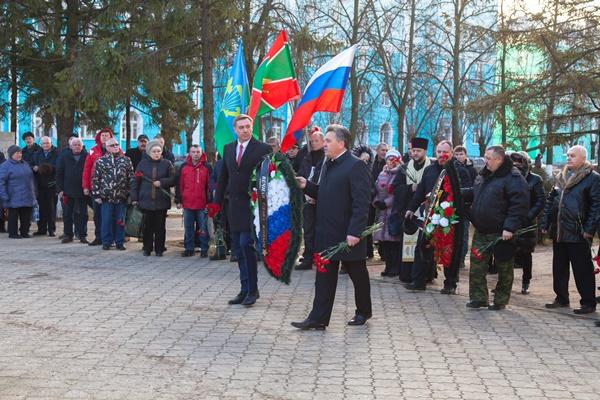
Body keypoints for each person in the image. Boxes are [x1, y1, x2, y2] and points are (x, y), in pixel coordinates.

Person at [291, 124, 372, 330]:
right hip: (326, 233)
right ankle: (318, 318)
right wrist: (306, 186)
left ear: (341, 143)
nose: (324, 144)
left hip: (347, 234)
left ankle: (363, 311)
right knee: (323, 277)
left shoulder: (356, 166)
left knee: (357, 275)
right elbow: (325, 193)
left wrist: (355, 232)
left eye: (328, 141)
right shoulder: (328, 163)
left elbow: (362, 202)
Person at [212, 114, 271, 307]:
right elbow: (223, 177)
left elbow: (269, 176)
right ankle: (244, 289)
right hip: (234, 206)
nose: (245, 130)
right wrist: (216, 203)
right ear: (235, 130)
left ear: (251, 128)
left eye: (248, 126)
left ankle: (253, 290)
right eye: (241, 127)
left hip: (252, 206)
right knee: (237, 248)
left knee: (247, 245)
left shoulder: (262, 148)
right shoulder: (228, 148)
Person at [463, 145, 529, 310]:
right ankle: (478, 297)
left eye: (488, 158)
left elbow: (519, 205)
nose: (485, 161)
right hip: (481, 229)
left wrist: (510, 227)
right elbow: (476, 192)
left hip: (501, 232)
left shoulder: (513, 178)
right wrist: (457, 192)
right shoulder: (485, 174)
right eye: (485, 157)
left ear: (499, 159)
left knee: (504, 267)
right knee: (477, 265)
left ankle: (500, 300)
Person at [541, 145, 600, 314]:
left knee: (582, 269)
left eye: (573, 155)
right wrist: (545, 222)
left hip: (578, 231)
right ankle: (561, 298)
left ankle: (588, 302)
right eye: (567, 155)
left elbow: (596, 205)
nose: (568, 158)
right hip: (559, 230)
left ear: (583, 158)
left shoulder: (592, 178)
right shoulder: (561, 176)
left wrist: (589, 229)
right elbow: (550, 200)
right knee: (559, 267)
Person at [405, 140, 461, 292]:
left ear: (451, 153)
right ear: (435, 153)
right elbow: (420, 191)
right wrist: (411, 208)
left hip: (450, 217)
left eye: (445, 152)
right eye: (439, 152)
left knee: (449, 250)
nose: (442, 155)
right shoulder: (429, 170)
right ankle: (418, 281)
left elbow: (463, 193)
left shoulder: (458, 170)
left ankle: (450, 284)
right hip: (430, 215)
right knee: (423, 247)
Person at [393, 137, 430, 283]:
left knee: (424, 244)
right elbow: (396, 188)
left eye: (418, 151)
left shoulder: (431, 167)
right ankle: (407, 274)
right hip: (408, 211)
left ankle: (424, 275)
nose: (415, 153)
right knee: (408, 244)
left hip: (426, 212)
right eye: (413, 150)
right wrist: (410, 188)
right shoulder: (405, 168)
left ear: (425, 151)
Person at [131, 140, 176, 256]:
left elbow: (173, 179)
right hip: (145, 200)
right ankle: (147, 248)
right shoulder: (142, 164)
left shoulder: (167, 164)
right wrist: (134, 198)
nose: (156, 153)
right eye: (154, 151)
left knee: (160, 227)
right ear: (149, 152)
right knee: (147, 227)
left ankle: (159, 249)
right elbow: (135, 181)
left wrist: (162, 182)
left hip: (161, 201)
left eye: (158, 151)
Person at [509, 151, 544, 294]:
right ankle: (505, 283)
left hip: (527, 223)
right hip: (510, 221)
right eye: (514, 163)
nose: (517, 165)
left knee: (526, 254)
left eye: (520, 162)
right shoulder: (508, 177)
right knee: (507, 252)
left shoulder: (535, 179)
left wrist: (528, 216)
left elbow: (540, 201)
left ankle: (525, 282)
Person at [92, 138, 133, 251]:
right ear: (106, 147)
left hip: (121, 196)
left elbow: (131, 177)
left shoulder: (126, 160)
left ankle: (119, 242)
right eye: (112, 145)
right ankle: (106, 242)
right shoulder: (101, 161)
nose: (115, 147)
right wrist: (96, 195)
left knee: (120, 221)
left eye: (117, 144)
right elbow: (96, 178)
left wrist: (131, 193)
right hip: (106, 197)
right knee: (106, 220)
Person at [295, 129, 325, 270]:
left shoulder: (326, 158)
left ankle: (321, 257)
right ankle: (308, 258)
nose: (313, 143)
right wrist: (305, 191)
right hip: (307, 199)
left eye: (316, 141)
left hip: (322, 199)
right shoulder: (307, 157)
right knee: (308, 230)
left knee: (321, 231)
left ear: (323, 142)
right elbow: (302, 173)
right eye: (311, 141)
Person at [176, 145, 211, 258]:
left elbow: (210, 186)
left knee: (203, 228)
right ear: (189, 153)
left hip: (202, 203)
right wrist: (178, 200)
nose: (196, 154)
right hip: (187, 203)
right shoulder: (184, 167)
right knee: (188, 228)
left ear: (201, 153)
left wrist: (210, 202)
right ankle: (189, 248)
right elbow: (179, 185)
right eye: (193, 152)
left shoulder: (207, 167)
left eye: (198, 152)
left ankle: (204, 248)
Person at [373, 149, 403, 277]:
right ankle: (388, 266)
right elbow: (376, 189)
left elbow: (398, 193)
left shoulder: (401, 174)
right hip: (382, 213)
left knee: (393, 242)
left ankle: (395, 268)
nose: (391, 162)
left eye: (393, 159)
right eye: (389, 159)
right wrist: (376, 201)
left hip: (393, 212)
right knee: (384, 242)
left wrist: (386, 203)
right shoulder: (382, 174)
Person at [83, 128, 114, 246]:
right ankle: (98, 237)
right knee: (97, 214)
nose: (104, 137)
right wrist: (86, 186)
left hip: (111, 189)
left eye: (107, 135)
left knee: (110, 215)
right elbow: (87, 169)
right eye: (102, 135)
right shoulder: (93, 151)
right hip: (96, 188)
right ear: (99, 138)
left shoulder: (116, 149)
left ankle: (110, 238)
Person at [56, 137, 89, 244]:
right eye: (75, 145)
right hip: (67, 190)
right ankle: (68, 235)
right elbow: (59, 174)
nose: (77, 146)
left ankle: (82, 235)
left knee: (82, 214)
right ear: (70, 146)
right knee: (67, 214)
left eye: (79, 145)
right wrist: (60, 189)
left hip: (82, 191)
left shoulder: (87, 156)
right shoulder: (64, 156)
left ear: (82, 146)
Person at [0, 146, 36, 238]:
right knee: (13, 216)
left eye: (20, 153)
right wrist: (4, 196)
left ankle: (24, 232)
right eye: (17, 153)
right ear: (11, 154)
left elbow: (31, 179)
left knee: (26, 215)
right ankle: (13, 233)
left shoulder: (25, 164)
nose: (19, 155)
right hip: (13, 196)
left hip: (27, 195)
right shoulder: (5, 166)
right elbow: (1, 183)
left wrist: (33, 193)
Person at [453, 145, 478, 268]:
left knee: (464, 234)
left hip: (466, 205)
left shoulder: (472, 169)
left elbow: (476, 186)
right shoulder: (452, 167)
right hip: (453, 205)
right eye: (456, 154)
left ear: (465, 155)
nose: (459, 157)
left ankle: (461, 259)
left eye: (461, 154)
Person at [32, 136, 59, 236]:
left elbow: (58, 167)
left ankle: (51, 229)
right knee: (41, 208)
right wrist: (34, 167)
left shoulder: (57, 153)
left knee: (51, 208)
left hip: (52, 184)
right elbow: (33, 164)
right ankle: (41, 229)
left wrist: (45, 168)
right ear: (41, 144)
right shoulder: (37, 154)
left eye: (47, 143)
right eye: (43, 143)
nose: (45, 145)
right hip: (40, 184)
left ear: (51, 143)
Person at [368, 143, 388, 259]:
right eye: (382, 150)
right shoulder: (372, 163)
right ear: (377, 150)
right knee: (369, 224)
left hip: (383, 198)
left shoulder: (388, 163)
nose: (384, 152)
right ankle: (368, 251)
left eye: (386, 150)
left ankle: (382, 252)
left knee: (382, 224)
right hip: (371, 197)